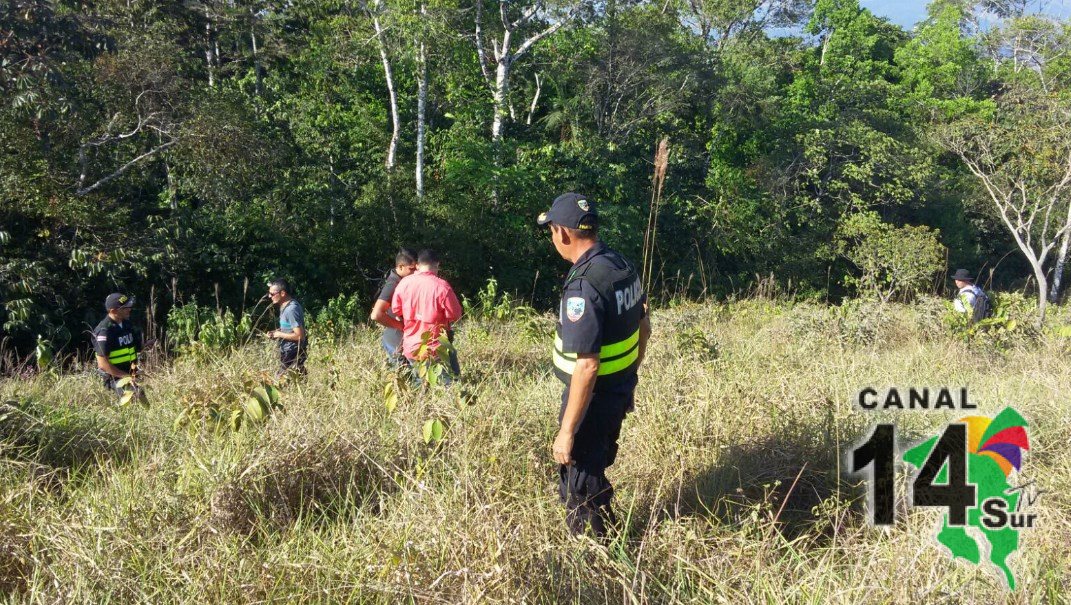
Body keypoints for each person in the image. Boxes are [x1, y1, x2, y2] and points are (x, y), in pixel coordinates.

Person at [538, 192, 652, 538]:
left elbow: (586, 366)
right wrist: (628, 380)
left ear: (563, 234)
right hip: (616, 389)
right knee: (595, 466)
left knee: (578, 483)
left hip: (592, 397)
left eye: (552, 231)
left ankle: (594, 555)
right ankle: (606, 530)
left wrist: (567, 431)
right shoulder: (620, 265)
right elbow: (643, 325)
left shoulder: (584, 286)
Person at [390, 249, 463, 384]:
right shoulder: (442, 287)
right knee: (451, 386)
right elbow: (455, 315)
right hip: (437, 349)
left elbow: (396, 310)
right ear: (437, 264)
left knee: (420, 386)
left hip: (412, 348)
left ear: (418, 264)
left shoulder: (404, 284)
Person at [369, 248, 418, 367]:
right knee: (404, 378)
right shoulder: (393, 284)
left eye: (416, 269)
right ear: (400, 267)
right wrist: (401, 326)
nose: (415, 272)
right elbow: (376, 315)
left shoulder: (400, 280)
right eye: (411, 269)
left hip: (400, 339)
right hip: (395, 341)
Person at [92, 293, 142, 395]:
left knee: (142, 401)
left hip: (131, 376)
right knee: (132, 402)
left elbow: (132, 348)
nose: (129, 309)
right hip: (116, 380)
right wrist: (126, 377)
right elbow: (103, 364)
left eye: (129, 306)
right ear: (113, 311)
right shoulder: (105, 330)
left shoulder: (127, 324)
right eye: (125, 307)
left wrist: (146, 345)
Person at [267, 279, 308, 376]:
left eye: (272, 294)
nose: (269, 296)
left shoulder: (291, 309)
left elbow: (299, 336)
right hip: (288, 351)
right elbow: (289, 328)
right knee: (298, 379)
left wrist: (279, 334)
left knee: (279, 380)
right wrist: (276, 332)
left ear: (282, 293)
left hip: (293, 352)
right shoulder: (284, 306)